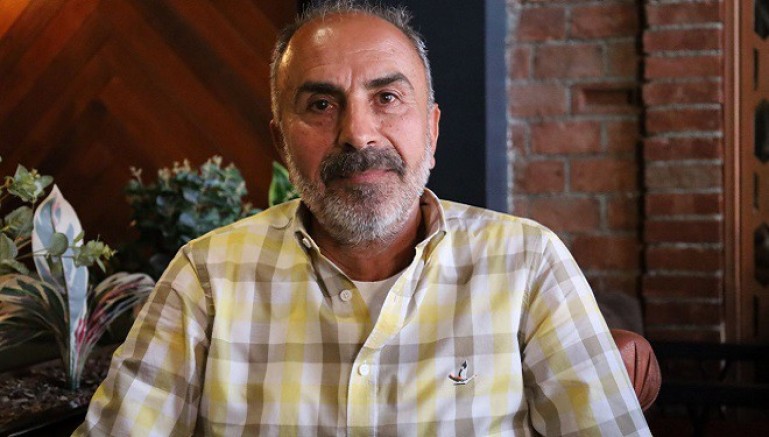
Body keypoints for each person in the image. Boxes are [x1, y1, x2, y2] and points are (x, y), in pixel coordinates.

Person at [75, 1, 650, 435]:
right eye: (321, 104)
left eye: (387, 98)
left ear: (432, 129)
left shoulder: (528, 263)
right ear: (281, 142)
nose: (357, 133)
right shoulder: (205, 278)